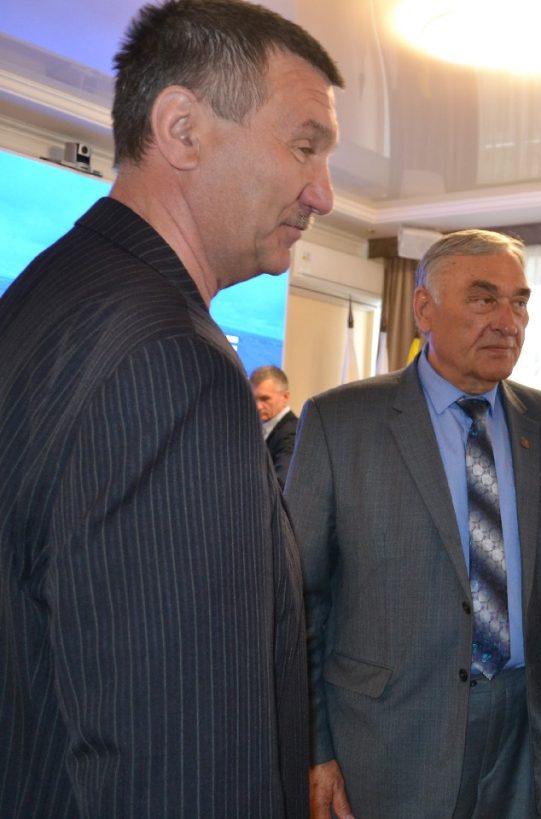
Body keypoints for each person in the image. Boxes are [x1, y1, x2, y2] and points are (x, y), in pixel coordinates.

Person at [0, 1, 342, 816]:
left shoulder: (46, 291)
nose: (324, 194)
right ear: (182, 130)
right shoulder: (174, 360)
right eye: (305, 146)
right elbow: (179, 764)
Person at [285, 228, 541, 819]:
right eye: (484, 299)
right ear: (424, 309)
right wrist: (313, 748)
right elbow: (300, 603)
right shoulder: (340, 422)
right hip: (386, 740)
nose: (508, 322)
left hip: (523, 735)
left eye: (520, 302)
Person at [251, 364, 299, 486]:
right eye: (253, 399)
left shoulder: (292, 434)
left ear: (285, 397)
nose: (258, 406)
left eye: (265, 399)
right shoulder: (257, 428)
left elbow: (281, 485)